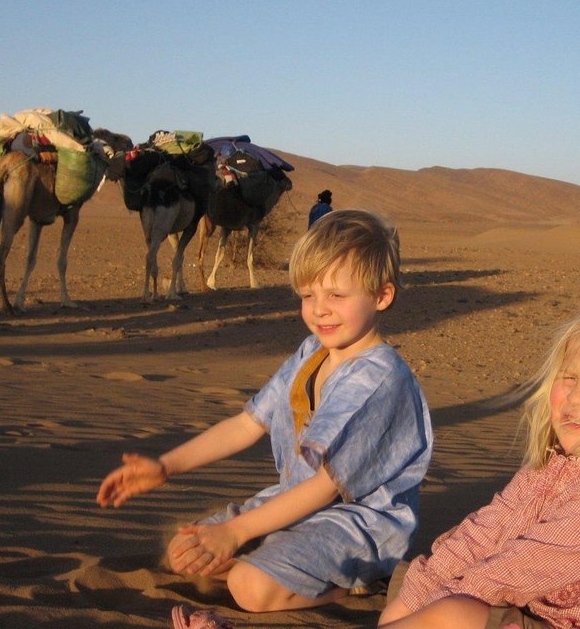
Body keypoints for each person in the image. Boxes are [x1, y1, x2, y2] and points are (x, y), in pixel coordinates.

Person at [97, 209, 432, 616]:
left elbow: (326, 487)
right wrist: (166, 466)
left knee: (249, 586)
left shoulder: (378, 380)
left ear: (382, 295)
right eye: (308, 295)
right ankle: (280, 566)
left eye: (336, 296)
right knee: (185, 551)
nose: (319, 310)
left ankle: (360, 585)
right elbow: (247, 423)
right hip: (293, 504)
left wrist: (236, 533)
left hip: (357, 524)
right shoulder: (312, 353)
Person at [378, 287, 580, 629]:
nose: (577, 398)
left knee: (451, 612)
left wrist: (443, 601)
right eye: (570, 378)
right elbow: (485, 530)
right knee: (411, 587)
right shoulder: (548, 465)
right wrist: (422, 590)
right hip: (524, 607)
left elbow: (522, 566)